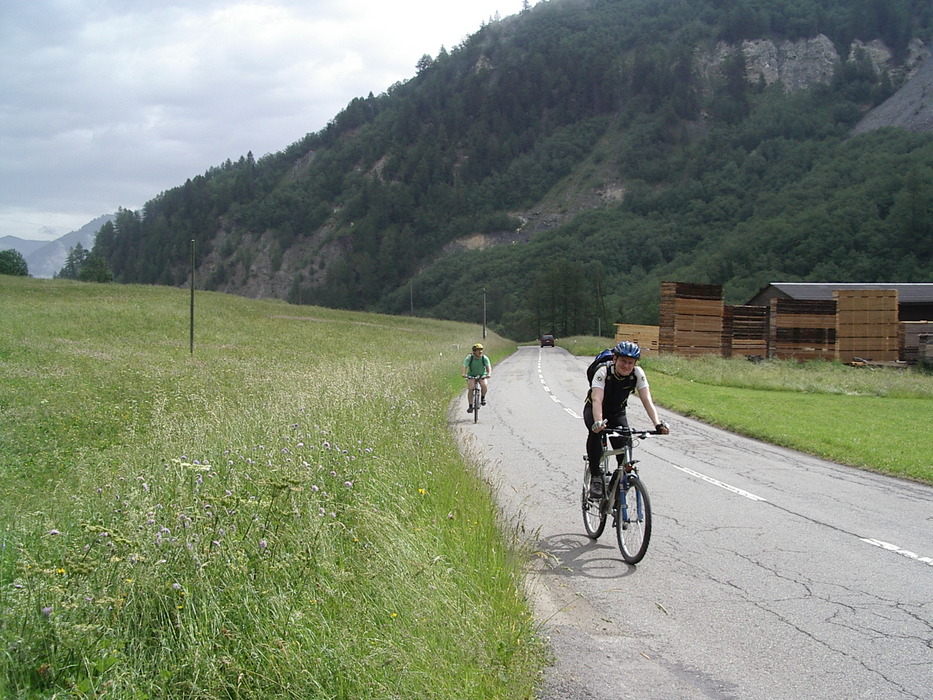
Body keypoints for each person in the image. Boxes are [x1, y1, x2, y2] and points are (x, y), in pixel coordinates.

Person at [584, 340, 669, 499]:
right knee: (595, 434)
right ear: (615, 359)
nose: (626, 366)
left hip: (617, 413)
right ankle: (596, 477)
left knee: (625, 448)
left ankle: (617, 482)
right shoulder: (603, 372)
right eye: (623, 361)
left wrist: (657, 424)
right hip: (595, 410)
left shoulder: (637, 373)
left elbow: (647, 400)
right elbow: (597, 400)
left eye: (630, 363)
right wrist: (598, 422)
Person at [462, 343, 491, 413]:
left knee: (484, 385)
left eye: (481, 350)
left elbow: (488, 367)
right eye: (478, 350)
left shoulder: (484, 358)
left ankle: (483, 398)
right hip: (472, 375)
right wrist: (463, 373)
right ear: (474, 351)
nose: (480, 351)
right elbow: (464, 366)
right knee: (471, 388)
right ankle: (470, 406)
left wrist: (489, 374)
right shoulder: (469, 358)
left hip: (482, 375)